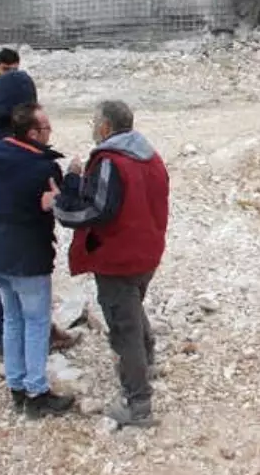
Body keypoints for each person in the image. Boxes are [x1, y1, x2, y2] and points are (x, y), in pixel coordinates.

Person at [48, 100, 170, 427]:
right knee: (132, 305)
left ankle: (138, 403)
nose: (93, 127)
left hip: (119, 257)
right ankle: (147, 360)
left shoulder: (110, 162)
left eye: (94, 121)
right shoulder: (149, 155)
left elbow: (97, 210)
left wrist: (62, 202)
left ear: (105, 128)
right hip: (148, 252)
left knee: (122, 324)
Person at [0, 70, 78, 357]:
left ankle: (33, 333)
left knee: (10, 281)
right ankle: (6, 341)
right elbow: (6, 178)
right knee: (6, 283)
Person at [0, 103, 74, 418]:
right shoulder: (42, 168)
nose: (51, 132)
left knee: (12, 320)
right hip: (27, 256)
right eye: (46, 128)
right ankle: (37, 390)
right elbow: (60, 205)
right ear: (33, 133)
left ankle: (17, 385)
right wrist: (71, 179)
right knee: (35, 323)